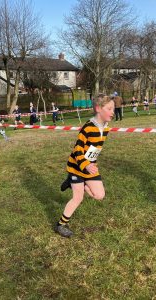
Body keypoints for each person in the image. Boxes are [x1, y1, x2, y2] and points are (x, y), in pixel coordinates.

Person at [55, 94, 115, 238]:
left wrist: (91, 163)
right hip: (77, 166)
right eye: (109, 109)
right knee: (78, 198)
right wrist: (86, 165)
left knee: (99, 195)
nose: (113, 111)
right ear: (98, 109)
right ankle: (61, 225)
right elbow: (77, 150)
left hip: (90, 167)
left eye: (113, 108)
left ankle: (71, 182)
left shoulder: (106, 128)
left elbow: (93, 149)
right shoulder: (88, 128)